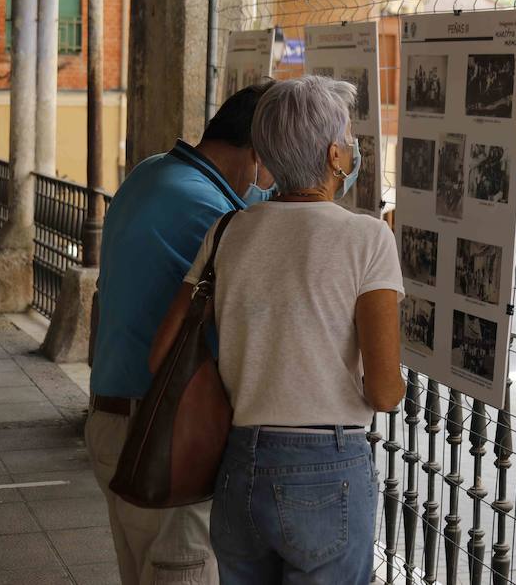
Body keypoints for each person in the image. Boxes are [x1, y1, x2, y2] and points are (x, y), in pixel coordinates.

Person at [151, 75, 405, 582]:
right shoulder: (368, 238)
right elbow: (382, 392)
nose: (353, 150)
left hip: (241, 462)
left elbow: (163, 352)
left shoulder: (229, 229)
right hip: (327, 469)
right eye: (349, 140)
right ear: (335, 156)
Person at [86, 81, 275, 585]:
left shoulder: (154, 172)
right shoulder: (210, 213)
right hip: (168, 435)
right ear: (258, 152)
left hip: (119, 420)